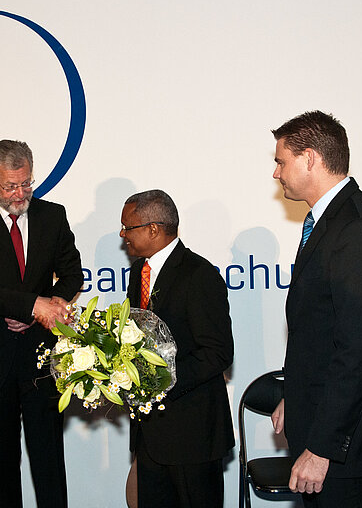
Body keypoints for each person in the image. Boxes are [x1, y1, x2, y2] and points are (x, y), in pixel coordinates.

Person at [269, 111, 362, 507]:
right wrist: (294, 395)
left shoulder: (358, 229)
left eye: (281, 161)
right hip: (326, 426)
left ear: (310, 158)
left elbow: (358, 352)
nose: (276, 173)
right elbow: (318, 330)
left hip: (350, 447)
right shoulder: (328, 221)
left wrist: (322, 449)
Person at [0, 139, 83, 508]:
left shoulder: (52, 215)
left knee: (49, 461)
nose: (20, 193)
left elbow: (73, 274)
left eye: (26, 183)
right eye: (12, 185)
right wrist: (31, 306)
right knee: (2, 463)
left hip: (42, 358)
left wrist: (48, 307)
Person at [120, 189, 234, 508]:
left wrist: (158, 383)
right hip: (149, 435)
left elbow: (218, 352)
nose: (122, 234)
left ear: (153, 229)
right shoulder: (136, 275)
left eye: (128, 227)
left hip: (191, 434)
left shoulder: (199, 275)